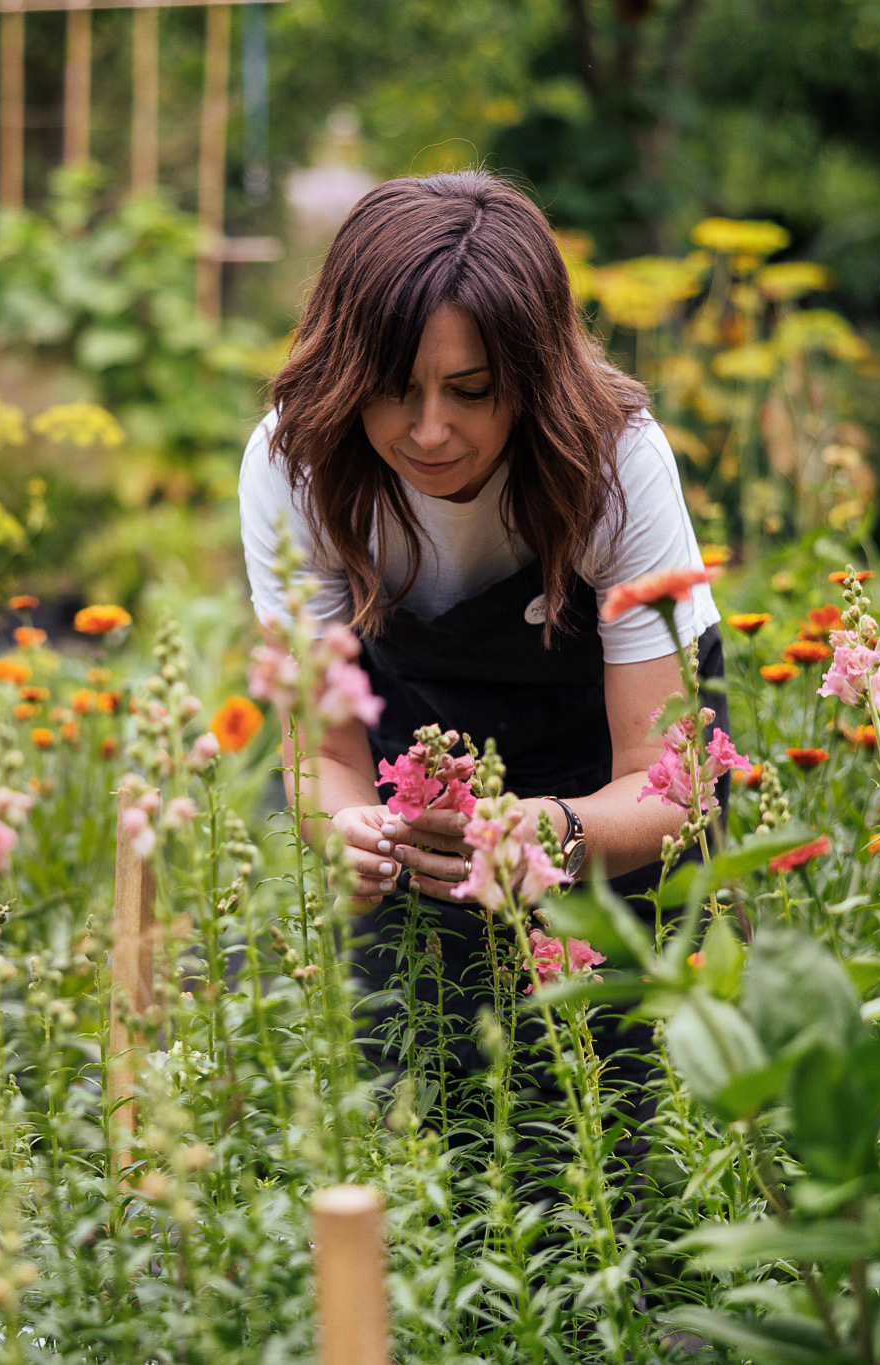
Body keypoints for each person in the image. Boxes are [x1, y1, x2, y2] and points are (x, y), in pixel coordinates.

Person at [238, 169, 728, 1076]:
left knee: (613, 1093)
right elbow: (330, 758)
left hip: (606, 771)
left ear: (531, 377)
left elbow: (671, 787)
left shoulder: (616, 463)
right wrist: (348, 829)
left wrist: (556, 833)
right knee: (417, 1076)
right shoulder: (295, 462)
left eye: (469, 391)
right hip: (415, 764)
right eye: (393, 390)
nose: (427, 432)